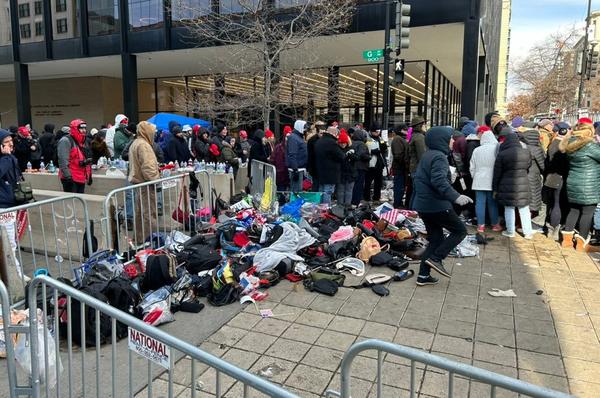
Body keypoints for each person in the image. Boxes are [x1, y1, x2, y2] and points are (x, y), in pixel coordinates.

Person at [413, 126, 469, 286]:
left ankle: (423, 276)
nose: (453, 141)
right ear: (441, 140)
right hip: (436, 205)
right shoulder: (439, 157)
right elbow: (438, 180)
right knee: (460, 231)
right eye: (450, 138)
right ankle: (436, 258)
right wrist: (456, 196)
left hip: (425, 205)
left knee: (436, 239)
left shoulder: (428, 155)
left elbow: (426, 179)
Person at [558, 122, 600, 251]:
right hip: (589, 185)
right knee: (587, 213)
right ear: (589, 132)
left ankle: (567, 241)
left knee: (574, 211)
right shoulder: (591, 146)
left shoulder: (570, 145)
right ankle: (581, 244)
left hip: (573, 182)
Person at [492, 131, 533, 238]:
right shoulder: (526, 152)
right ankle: (528, 232)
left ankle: (510, 231)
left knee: (509, 208)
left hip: (506, 184)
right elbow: (528, 166)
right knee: (524, 209)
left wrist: (495, 188)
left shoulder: (502, 154)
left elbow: (497, 173)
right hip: (523, 183)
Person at [128, 121, 161, 245]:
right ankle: (150, 241)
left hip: (139, 183)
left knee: (140, 214)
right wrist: (156, 179)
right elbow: (148, 167)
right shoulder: (144, 145)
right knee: (148, 214)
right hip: (146, 184)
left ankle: (140, 240)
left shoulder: (136, 143)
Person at [544, 122, 570, 241]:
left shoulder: (552, 144)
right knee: (557, 204)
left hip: (551, 178)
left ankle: (550, 226)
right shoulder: (564, 145)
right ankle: (554, 228)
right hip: (560, 178)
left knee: (552, 203)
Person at [469, 130, 501, 232]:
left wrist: (475, 177)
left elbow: (472, 166)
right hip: (491, 180)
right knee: (492, 203)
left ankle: (480, 226)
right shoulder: (496, 149)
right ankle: (495, 225)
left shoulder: (477, 150)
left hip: (478, 180)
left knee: (479, 203)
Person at [57, 119, 92, 193]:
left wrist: (89, 175)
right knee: (72, 202)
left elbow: (86, 159)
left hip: (80, 176)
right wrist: (68, 177)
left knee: (79, 201)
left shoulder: (84, 141)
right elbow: (63, 160)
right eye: (81, 128)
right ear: (75, 129)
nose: (84, 130)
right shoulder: (66, 140)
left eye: (84, 128)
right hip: (71, 177)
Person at [521, 129, 546, 228]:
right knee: (533, 200)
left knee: (524, 200)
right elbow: (543, 166)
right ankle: (530, 224)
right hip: (534, 177)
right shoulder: (537, 149)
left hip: (523, 176)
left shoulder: (522, 147)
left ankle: (521, 222)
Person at [314, 126, 345, 204]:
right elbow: (341, 156)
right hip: (331, 172)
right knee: (328, 191)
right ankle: (326, 209)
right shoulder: (332, 143)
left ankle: (320, 208)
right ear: (334, 133)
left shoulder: (319, 141)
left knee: (321, 191)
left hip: (320, 170)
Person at [364, 126, 387, 202]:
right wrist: (372, 152)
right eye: (376, 132)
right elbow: (365, 149)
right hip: (371, 164)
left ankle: (376, 197)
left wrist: (384, 147)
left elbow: (384, 148)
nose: (378, 133)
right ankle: (366, 198)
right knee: (368, 182)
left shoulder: (380, 138)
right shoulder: (367, 138)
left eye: (378, 132)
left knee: (378, 182)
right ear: (371, 131)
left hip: (380, 163)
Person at [408, 116, 427, 208]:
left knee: (415, 191)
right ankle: (413, 211)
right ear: (420, 126)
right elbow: (422, 156)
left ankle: (412, 210)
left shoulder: (415, 136)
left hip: (415, 168)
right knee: (418, 192)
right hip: (418, 169)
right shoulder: (419, 138)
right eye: (424, 124)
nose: (425, 126)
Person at [336, 129, 358, 207]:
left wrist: (351, 156)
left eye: (344, 142)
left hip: (350, 174)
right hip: (341, 173)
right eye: (341, 142)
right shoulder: (337, 150)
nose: (343, 144)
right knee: (340, 192)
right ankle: (340, 207)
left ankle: (347, 207)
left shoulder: (351, 149)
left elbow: (357, 159)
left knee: (348, 191)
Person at [287, 120, 308, 192]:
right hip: (296, 170)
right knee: (296, 191)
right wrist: (295, 170)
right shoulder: (293, 138)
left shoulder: (298, 137)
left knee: (298, 191)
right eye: (304, 128)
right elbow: (292, 154)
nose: (305, 130)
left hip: (300, 168)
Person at [391, 124, 409, 208]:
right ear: (401, 130)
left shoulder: (401, 139)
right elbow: (398, 155)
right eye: (405, 129)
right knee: (399, 186)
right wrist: (405, 163)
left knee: (400, 187)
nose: (407, 131)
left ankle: (399, 203)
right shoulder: (398, 139)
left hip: (401, 168)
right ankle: (397, 204)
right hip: (399, 168)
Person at [306, 123, 321, 191]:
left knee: (316, 184)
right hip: (314, 166)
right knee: (316, 184)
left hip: (314, 166)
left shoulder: (312, 140)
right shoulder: (313, 140)